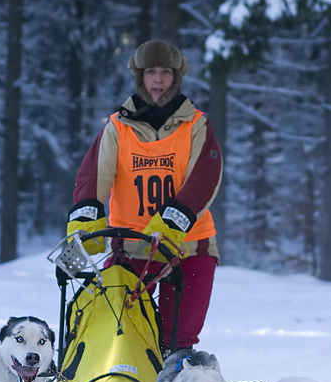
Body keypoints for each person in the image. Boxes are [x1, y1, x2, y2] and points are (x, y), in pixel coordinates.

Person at [69, 39, 223, 355]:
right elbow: (93, 176)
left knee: (176, 338)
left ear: (176, 76)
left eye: (165, 72)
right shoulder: (117, 127)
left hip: (189, 247)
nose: (157, 80)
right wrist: (85, 223)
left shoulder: (196, 125)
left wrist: (172, 221)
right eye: (150, 71)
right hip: (131, 249)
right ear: (139, 76)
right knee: (118, 327)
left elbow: (202, 181)